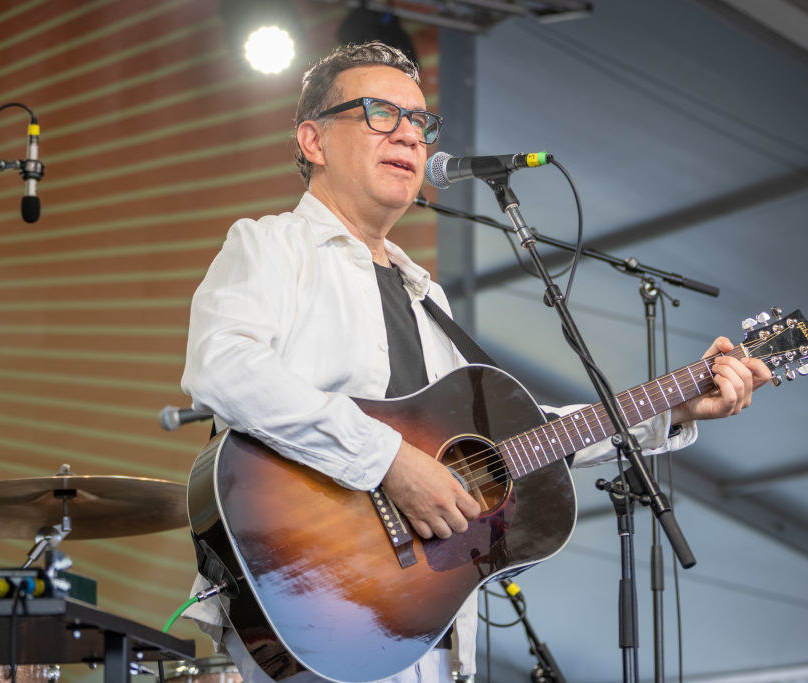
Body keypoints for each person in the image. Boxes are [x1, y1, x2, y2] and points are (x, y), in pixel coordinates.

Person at [180, 41, 769, 683]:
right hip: (309, 606)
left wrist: (675, 406)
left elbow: (516, 440)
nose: (410, 134)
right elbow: (224, 369)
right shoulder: (269, 246)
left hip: (422, 628)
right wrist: (389, 461)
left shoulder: (424, 294)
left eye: (421, 121)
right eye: (381, 112)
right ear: (313, 140)